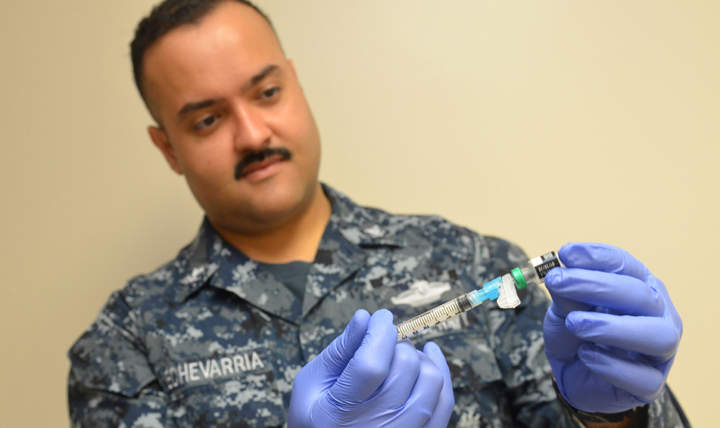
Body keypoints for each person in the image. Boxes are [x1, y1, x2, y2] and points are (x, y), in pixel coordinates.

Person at [67, 1, 688, 426]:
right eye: (207, 119)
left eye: (267, 92)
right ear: (168, 148)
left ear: (296, 84)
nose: (253, 133)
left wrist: (615, 415)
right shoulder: (126, 343)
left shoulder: (470, 262)